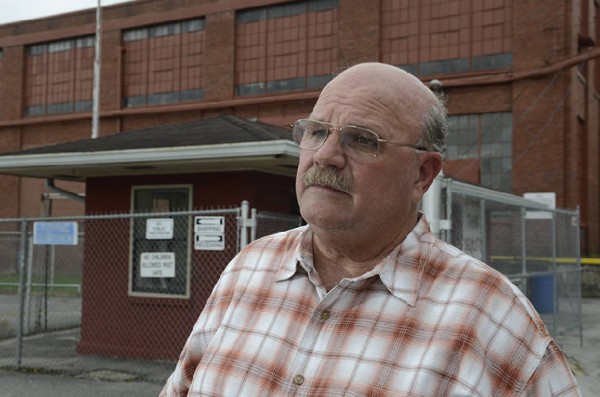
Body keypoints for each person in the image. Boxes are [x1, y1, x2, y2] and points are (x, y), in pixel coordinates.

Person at [160, 62, 580, 396]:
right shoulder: (247, 269)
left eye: (362, 140)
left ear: (422, 174)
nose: (325, 155)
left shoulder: (492, 317)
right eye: (317, 131)